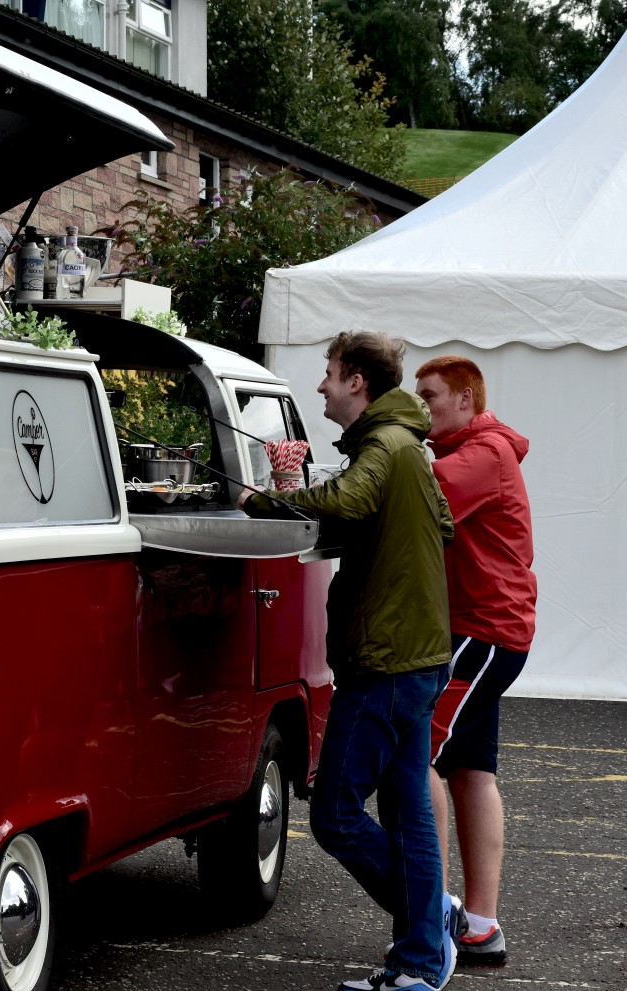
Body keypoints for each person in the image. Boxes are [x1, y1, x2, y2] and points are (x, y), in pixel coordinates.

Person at [238, 331, 464, 991]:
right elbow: (435, 523)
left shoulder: (387, 446)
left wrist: (268, 499)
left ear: (358, 382)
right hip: (416, 656)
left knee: (336, 812)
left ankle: (426, 926)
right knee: (407, 811)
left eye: (330, 373)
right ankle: (420, 957)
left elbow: (348, 501)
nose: (322, 384)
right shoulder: (405, 447)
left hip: (387, 663)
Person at [415, 356, 536, 967]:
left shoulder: (483, 454)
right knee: (470, 770)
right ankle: (481, 926)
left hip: (482, 633)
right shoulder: (480, 447)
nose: (420, 406)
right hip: (490, 632)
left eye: (429, 396)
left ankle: (429, 919)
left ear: (465, 398)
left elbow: (414, 495)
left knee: (417, 754)